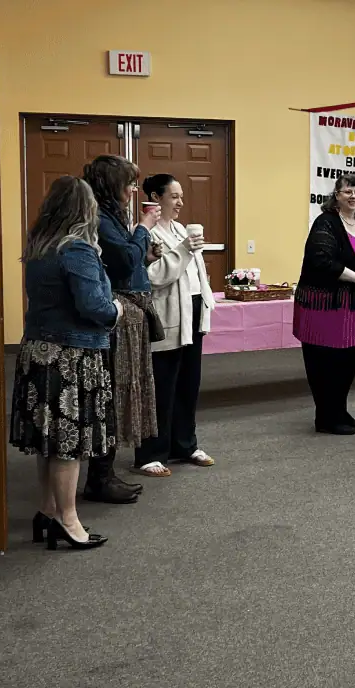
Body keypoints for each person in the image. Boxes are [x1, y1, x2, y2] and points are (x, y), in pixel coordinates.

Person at [10, 176, 119, 550]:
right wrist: (117, 309)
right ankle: (69, 521)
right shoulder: (77, 251)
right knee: (68, 445)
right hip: (70, 358)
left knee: (49, 442)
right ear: (85, 211)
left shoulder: (40, 248)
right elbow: (95, 308)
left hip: (38, 353)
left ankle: (48, 510)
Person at [81, 154, 161, 503]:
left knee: (120, 391)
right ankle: (100, 478)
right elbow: (125, 259)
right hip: (116, 320)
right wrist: (143, 228)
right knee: (113, 394)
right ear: (110, 185)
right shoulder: (99, 217)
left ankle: (105, 473)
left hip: (129, 315)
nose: (133, 188)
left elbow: (128, 258)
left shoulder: (111, 216)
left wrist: (144, 252)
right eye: (128, 182)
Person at [134, 174, 216, 476]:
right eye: (174, 196)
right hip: (166, 318)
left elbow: (193, 271)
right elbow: (153, 276)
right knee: (161, 386)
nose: (180, 202)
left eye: (181, 196)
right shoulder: (145, 233)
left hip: (191, 313)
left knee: (188, 383)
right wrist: (183, 249)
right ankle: (151, 453)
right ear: (156, 198)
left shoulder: (181, 228)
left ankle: (185, 444)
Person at [293, 173, 355, 435]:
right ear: (336, 196)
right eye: (347, 191)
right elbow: (322, 260)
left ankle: (340, 410)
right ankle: (325, 417)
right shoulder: (326, 223)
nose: (353, 196)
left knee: (348, 362)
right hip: (326, 308)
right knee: (327, 363)